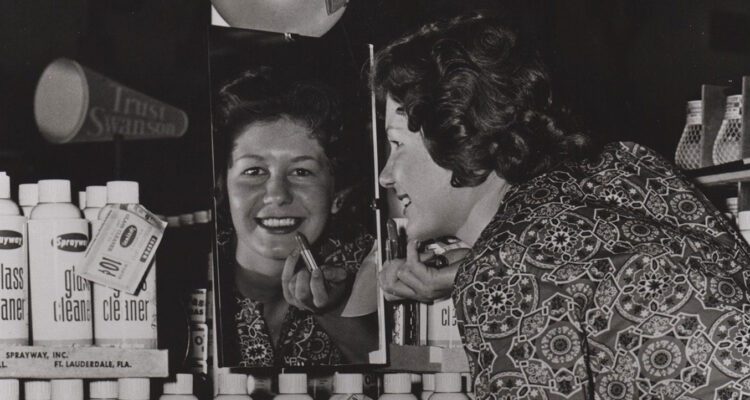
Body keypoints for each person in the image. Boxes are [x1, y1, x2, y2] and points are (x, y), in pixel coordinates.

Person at [372, 14, 750, 399]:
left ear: (458, 133)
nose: (386, 175)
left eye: (397, 144)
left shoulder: (507, 266)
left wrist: (485, 271)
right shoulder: (623, 165)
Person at [213, 67, 377, 367]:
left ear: (336, 192)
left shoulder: (375, 267)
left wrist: (332, 311)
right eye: (254, 171)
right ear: (222, 186)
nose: (277, 194)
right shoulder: (186, 282)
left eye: (301, 172)